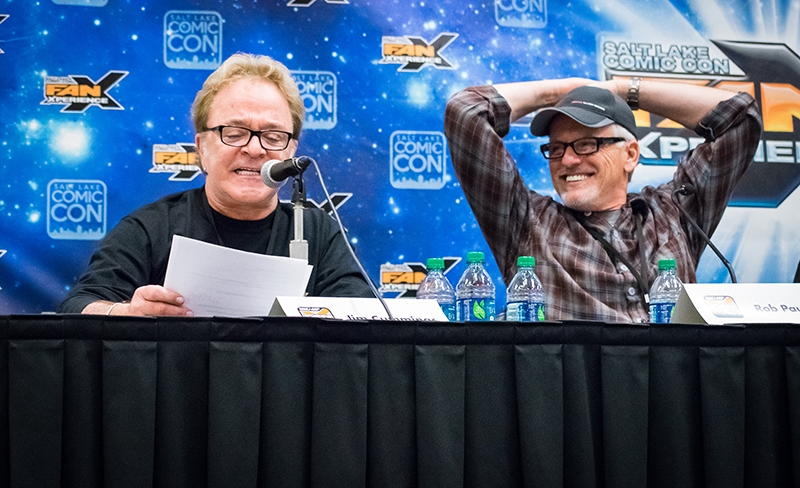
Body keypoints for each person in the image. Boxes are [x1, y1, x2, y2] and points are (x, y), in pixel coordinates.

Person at [59, 53, 372, 316]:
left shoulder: (320, 234)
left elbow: (364, 323)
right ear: (202, 148)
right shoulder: (150, 228)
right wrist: (126, 312)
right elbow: (77, 307)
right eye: (234, 133)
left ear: (291, 151)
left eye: (273, 136)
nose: (254, 149)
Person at [444, 77, 762, 322]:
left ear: (630, 155)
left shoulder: (675, 211)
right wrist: (562, 92)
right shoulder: (527, 222)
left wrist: (621, 90)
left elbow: (740, 118)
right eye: (556, 148)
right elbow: (465, 112)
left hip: (671, 384)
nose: (567, 160)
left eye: (586, 144)